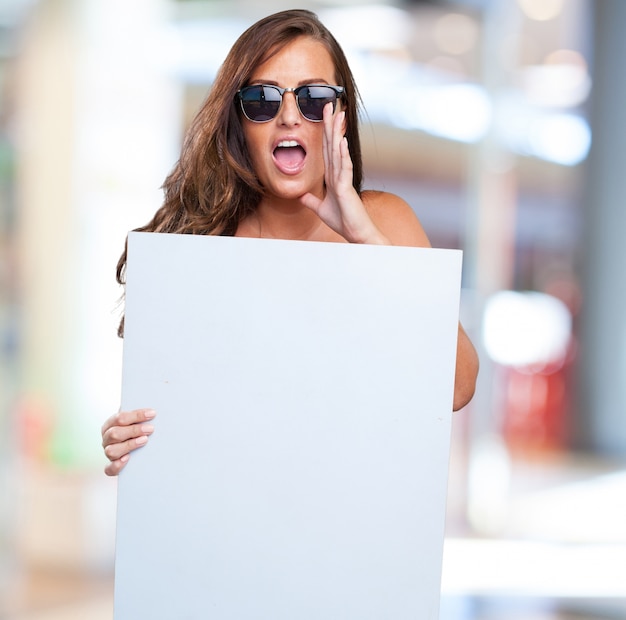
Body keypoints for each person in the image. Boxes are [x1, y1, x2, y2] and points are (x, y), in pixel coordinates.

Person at [101, 9, 479, 476]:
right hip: (227, 524)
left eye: (313, 97)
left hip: (353, 520)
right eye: (262, 98)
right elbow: (180, 413)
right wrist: (131, 440)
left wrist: (365, 238)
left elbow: (459, 387)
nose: (287, 117)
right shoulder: (199, 245)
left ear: (339, 116)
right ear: (239, 121)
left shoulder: (385, 224)